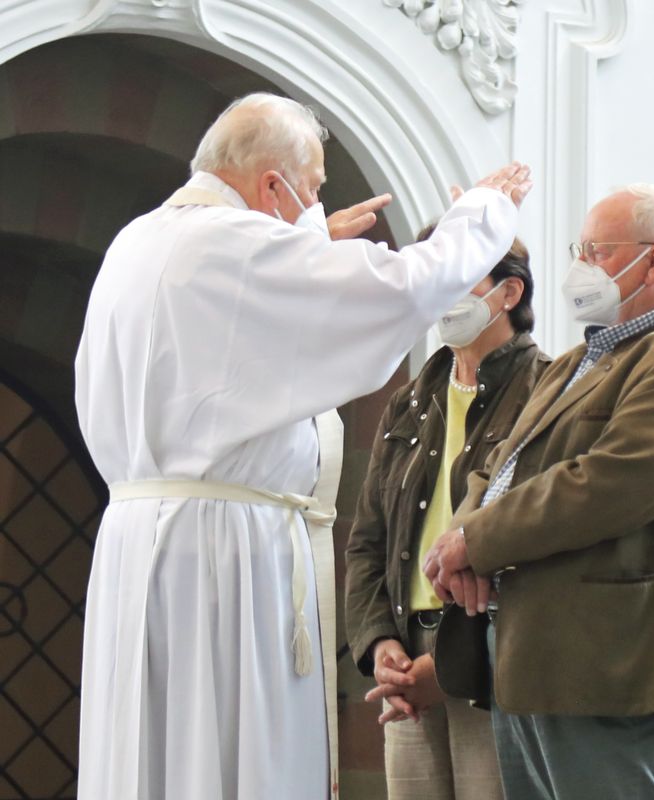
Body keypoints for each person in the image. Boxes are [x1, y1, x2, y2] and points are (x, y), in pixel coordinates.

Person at [73, 91, 532, 800]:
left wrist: (310, 249)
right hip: (226, 555)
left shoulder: (136, 243)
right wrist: (484, 214)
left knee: (152, 755)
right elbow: (403, 288)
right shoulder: (239, 243)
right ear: (270, 185)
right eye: (312, 191)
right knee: (231, 760)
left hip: (140, 546)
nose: (315, 208)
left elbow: (229, 345)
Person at [421, 184, 654, 799]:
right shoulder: (573, 363)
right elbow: (495, 466)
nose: (581, 264)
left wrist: (477, 541)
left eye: (597, 249)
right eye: (582, 248)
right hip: (522, 652)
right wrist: (462, 538)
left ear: (652, 260)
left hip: (607, 659)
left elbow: (608, 484)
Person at [344, 221, 550, 800]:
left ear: (509, 293)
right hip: (407, 663)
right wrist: (381, 645)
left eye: (459, 276)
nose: (442, 293)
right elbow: (367, 542)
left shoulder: (548, 390)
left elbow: (537, 536)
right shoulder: (409, 402)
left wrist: (450, 665)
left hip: (493, 665)